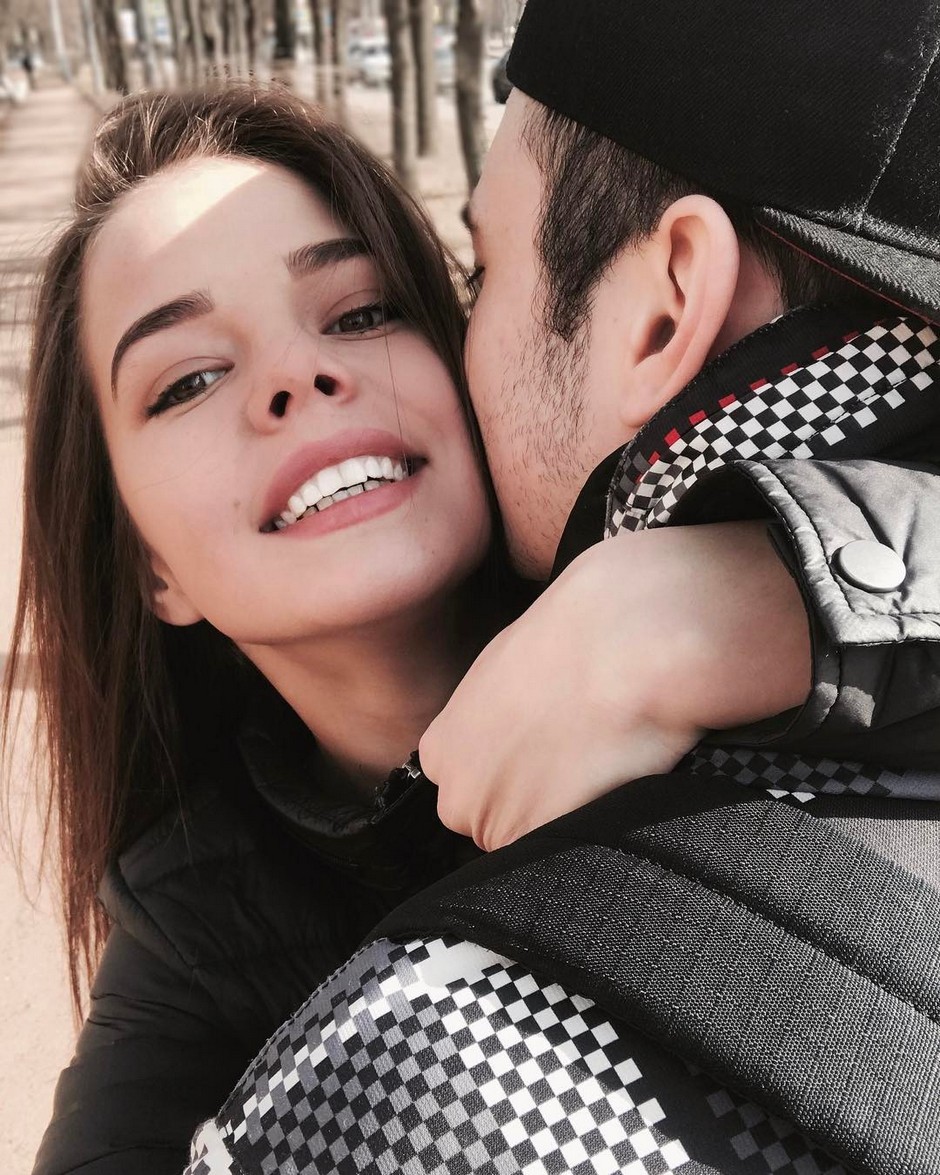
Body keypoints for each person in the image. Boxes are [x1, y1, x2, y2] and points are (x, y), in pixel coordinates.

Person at [183, 2, 940, 1172]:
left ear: (664, 311)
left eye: (482, 271)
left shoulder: (419, 1091)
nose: (304, 382)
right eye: (187, 377)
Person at [11, 82, 816, 1175]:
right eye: (189, 377)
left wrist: (785, 597)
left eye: (359, 313)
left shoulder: (729, 528)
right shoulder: (195, 926)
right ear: (150, 563)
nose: (297, 376)